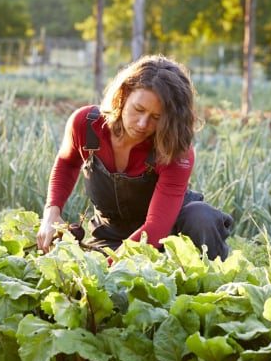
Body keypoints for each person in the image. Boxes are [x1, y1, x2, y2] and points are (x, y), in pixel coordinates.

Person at [36, 54, 232, 259]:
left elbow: (156, 228)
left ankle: (213, 274)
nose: (142, 124)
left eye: (157, 118)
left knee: (201, 217)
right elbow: (67, 162)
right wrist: (51, 213)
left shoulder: (176, 150)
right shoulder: (86, 125)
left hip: (170, 236)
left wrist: (110, 270)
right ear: (123, 95)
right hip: (110, 235)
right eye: (138, 110)